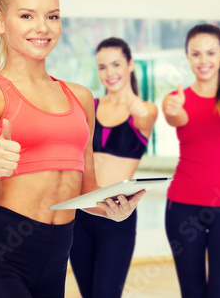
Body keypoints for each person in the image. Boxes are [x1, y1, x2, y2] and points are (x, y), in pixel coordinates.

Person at [0, 0, 145, 298]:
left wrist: (110, 208)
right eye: (27, 16)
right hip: (0, 259)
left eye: (53, 16)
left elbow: (86, 186)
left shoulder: (80, 97)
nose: (42, 28)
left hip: (56, 260)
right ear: (1, 22)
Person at [162, 24, 220, 298]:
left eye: (211, 53)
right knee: (191, 292)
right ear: (188, 57)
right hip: (182, 207)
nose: (204, 60)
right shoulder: (176, 100)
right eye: (196, 54)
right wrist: (173, 110)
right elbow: (175, 117)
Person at [70, 37, 158, 297]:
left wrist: (132, 102)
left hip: (117, 213)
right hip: (81, 210)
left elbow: (145, 117)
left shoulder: (145, 110)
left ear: (130, 65)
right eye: (102, 67)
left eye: (116, 64)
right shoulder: (91, 106)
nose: (109, 73)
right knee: (88, 292)